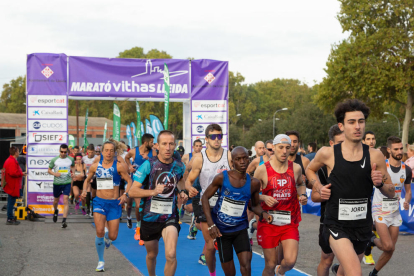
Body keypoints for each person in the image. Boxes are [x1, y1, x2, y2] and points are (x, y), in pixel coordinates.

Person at [306, 99, 395, 276]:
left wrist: (380, 184)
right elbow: (309, 170)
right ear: (341, 126)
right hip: (336, 224)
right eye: (351, 122)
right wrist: (318, 186)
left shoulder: (375, 155)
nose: (357, 127)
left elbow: (392, 192)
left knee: (344, 272)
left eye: (361, 122)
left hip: (362, 226)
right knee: (355, 272)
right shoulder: (328, 153)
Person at [202, 146, 273, 276]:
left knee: (246, 267)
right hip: (222, 232)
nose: (242, 162)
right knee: (230, 273)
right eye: (238, 159)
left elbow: (254, 205)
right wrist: (211, 224)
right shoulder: (221, 178)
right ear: (232, 162)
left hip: (240, 229)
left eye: (245, 158)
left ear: (249, 159)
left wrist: (263, 213)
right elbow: (205, 198)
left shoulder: (253, 183)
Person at [127, 130, 186, 276]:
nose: (168, 147)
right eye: (164, 144)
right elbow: (132, 191)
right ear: (157, 146)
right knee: (152, 255)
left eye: (171, 144)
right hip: (149, 217)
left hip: (169, 216)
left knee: (171, 255)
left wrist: (183, 192)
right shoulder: (149, 165)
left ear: (174, 146)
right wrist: (152, 192)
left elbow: (181, 182)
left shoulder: (179, 166)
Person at [254, 134, 307, 276]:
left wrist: (303, 195)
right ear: (274, 148)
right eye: (281, 147)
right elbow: (250, 194)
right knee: (270, 264)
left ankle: (281, 271)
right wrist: (263, 197)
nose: (284, 151)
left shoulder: (296, 168)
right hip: (268, 221)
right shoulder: (262, 170)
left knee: (290, 261)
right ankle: (274, 269)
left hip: (289, 221)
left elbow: (301, 184)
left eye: (287, 148)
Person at [185, 124, 232, 276]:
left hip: (225, 204)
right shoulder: (199, 158)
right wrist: (189, 188)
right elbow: (189, 180)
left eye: (219, 136)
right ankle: (212, 273)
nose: (217, 139)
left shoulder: (228, 156)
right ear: (207, 139)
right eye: (213, 137)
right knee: (211, 247)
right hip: (205, 203)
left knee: (224, 244)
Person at [81, 140, 132, 272]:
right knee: (99, 231)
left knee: (113, 236)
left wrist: (125, 194)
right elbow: (87, 179)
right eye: (106, 150)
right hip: (99, 202)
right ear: (102, 152)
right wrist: (84, 190)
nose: (108, 153)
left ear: (114, 152)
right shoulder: (95, 166)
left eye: (111, 150)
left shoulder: (119, 166)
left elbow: (129, 180)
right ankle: (101, 260)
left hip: (114, 204)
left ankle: (108, 239)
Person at [368, 136, 412, 276]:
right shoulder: (382, 166)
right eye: (396, 149)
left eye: (401, 149)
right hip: (379, 208)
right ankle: (370, 239)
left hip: (394, 211)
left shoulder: (407, 169)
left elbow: (409, 191)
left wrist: (406, 201)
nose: (399, 151)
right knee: (387, 245)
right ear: (389, 150)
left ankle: (373, 273)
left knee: (390, 249)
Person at [313, 125, 345, 276]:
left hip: (352, 220)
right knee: (326, 260)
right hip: (329, 218)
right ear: (331, 144)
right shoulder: (321, 168)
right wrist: (323, 193)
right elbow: (314, 196)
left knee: (349, 262)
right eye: (340, 143)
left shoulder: (358, 161)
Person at [125, 133, 155, 231]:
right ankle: (129, 217)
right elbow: (126, 157)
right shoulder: (134, 151)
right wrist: (129, 166)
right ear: (145, 142)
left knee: (140, 206)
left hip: (147, 184)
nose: (153, 144)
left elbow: (157, 163)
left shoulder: (153, 152)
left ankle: (139, 226)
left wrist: (148, 159)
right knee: (129, 205)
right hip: (135, 183)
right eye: (151, 142)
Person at [48, 144, 75, 228]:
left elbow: (73, 166)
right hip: (57, 183)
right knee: (56, 201)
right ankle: (56, 211)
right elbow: (49, 170)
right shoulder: (55, 160)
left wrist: (73, 172)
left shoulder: (70, 159)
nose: (63, 153)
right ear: (59, 151)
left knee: (66, 200)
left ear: (67, 151)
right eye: (62, 151)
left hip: (67, 182)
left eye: (65, 152)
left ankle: (64, 220)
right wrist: (55, 173)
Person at [3, 146, 26, 225]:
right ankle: (10, 218)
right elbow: (13, 173)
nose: (18, 152)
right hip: (13, 185)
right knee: (11, 202)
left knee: (11, 201)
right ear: (15, 152)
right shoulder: (12, 161)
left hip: (12, 184)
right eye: (18, 151)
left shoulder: (10, 160)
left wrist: (21, 173)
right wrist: (21, 173)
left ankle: (10, 217)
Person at [83, 144, 96, 216]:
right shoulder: (84, 158)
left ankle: (93, 209)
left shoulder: (96, 158)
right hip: (88, 177)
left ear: (94, 151)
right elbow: (84, 168)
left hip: (94, 177)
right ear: (87, 151)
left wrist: (93, 177)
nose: (90, 154)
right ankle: (88, 208)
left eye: (92, 152)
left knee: (94, 194)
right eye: (89, 152)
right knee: (87, 192)